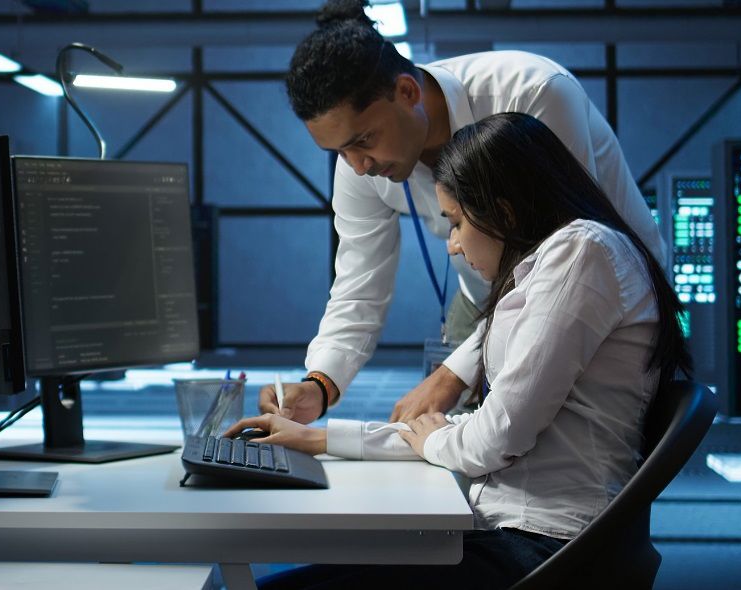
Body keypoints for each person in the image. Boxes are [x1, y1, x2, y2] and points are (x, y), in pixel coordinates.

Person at [231, 112, 691, 589]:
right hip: (511, 535)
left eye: (455, 222)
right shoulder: (555, 265)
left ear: (504, 212)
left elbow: (494, 438)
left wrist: (436, 438)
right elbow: (468, 433)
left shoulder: (582, 253)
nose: (452, 246)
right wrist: (318, 439)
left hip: (545, 551)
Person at [261, 0, 666, 425]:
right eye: (338, 151)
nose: (357, 164)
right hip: (488, 300)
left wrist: (455, 371)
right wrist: (320, 384)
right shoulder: (360, 166)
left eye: (363, 140)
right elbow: (357, 285)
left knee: (576, 458)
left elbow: (563, 265)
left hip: (600, 293)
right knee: (456, 451)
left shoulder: (531, 92)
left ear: (407, 92)